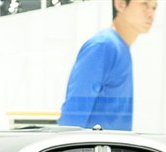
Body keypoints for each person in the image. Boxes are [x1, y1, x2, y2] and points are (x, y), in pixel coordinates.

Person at [58, 0, 157, 131]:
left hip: (111, 143)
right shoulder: (103, 46)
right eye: (144, 4)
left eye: (154, 7)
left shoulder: (120, 48)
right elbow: (73, 115)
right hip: (94, 144)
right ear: (120, 4)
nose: (151, 13)